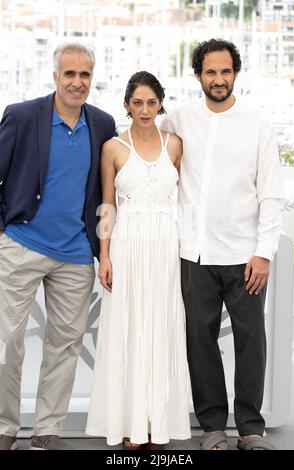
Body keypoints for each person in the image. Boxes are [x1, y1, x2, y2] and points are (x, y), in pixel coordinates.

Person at [161, 39, 284, 450]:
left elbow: (271, 192)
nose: (219, 79)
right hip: (193, 252)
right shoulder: (178, 119)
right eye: (210, 72)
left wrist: (264, 251)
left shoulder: (257, 122)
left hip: (244, 254)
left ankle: (250, 427)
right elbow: (149, 153)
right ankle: (212, 425)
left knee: (252, 339)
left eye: (226, 71)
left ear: (236, 73)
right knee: (200, 338)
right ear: (198, 75)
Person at [0, 43, 115, 451]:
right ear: (55, 77)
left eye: (85, 75)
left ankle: (47, 430)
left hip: (76, 254)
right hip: (22, 243)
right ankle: (6, 427)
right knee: (8, 340)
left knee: (64, 345)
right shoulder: (22, 116)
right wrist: (3, 230)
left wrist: (103, 250)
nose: (77, 82)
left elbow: (106, 192)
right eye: (70, 74)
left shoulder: (102, 123)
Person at [85, 71, 191, 449]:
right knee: (127, 330)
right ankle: (129, 424)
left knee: (161, 327)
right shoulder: (113, 147)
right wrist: (105, 255)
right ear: (127, 105)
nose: (145, 109)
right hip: (127, 246)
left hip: (165, 245)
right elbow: (107, 204)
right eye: (137, 102)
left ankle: (158, 423)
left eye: (151, 102)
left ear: (161, 103)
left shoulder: (175, 145)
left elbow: (187, 201)